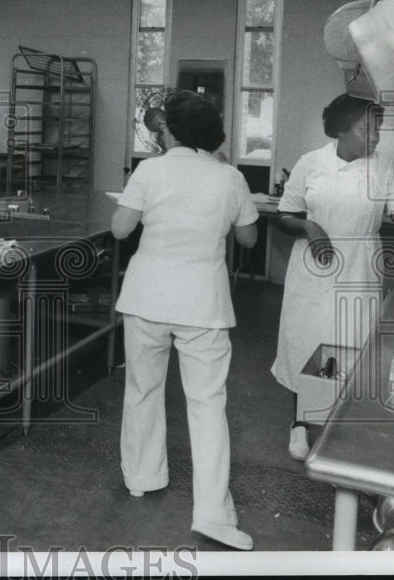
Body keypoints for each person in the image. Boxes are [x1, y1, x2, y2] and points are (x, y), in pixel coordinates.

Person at [111, 90, 258, 551]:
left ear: (167, 131)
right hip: (203, 304)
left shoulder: (150, 169)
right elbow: (250, 239)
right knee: (207, 403)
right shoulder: (230, 176)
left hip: (147, 297)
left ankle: (142, 477)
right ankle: (213, 512)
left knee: (143, 390)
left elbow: (120, 229)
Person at [272, 94, 394, 461]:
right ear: (340, 130)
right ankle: (301, 423)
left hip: (359, 267)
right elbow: (285, 214)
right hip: (313, 269)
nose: (375, 136)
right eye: (366, 128)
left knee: (353, 345)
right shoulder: (312, 164)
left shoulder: (384, 168)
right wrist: (308, 226)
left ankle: (342, 427)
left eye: (377, 128)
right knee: (307, 344)